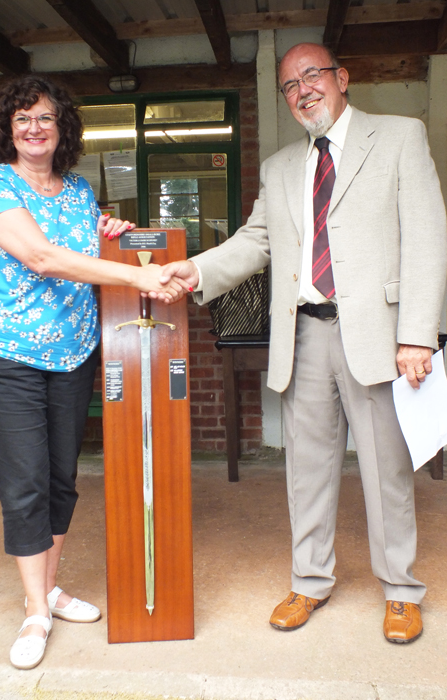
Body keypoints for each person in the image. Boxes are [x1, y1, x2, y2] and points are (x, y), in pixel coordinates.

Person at [159, 43, 447, 643]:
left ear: (342, 77)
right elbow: (255, 241)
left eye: (311, 75)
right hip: (304, 334)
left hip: (378, 336)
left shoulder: (399, 136)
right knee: (307, 469)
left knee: (386, 470)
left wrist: (418, 334)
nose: (301, 90)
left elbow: (426, 236)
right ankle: (310, 580)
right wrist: (196, 271)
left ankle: (400, 590)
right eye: (289, 85)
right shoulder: (281, 166)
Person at [0, 74, 185, 670]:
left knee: (62, 478)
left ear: (62, 129)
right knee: (28, 481)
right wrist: (139, 277)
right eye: (22, 119)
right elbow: (40, 256)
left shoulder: (80, 191)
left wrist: (111, 235)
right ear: (8, 129)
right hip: (4, 352)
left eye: (45, 118)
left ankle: (50, 588)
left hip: (71, 353)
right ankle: (35, 610)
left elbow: (86, 253)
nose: (34, 129)